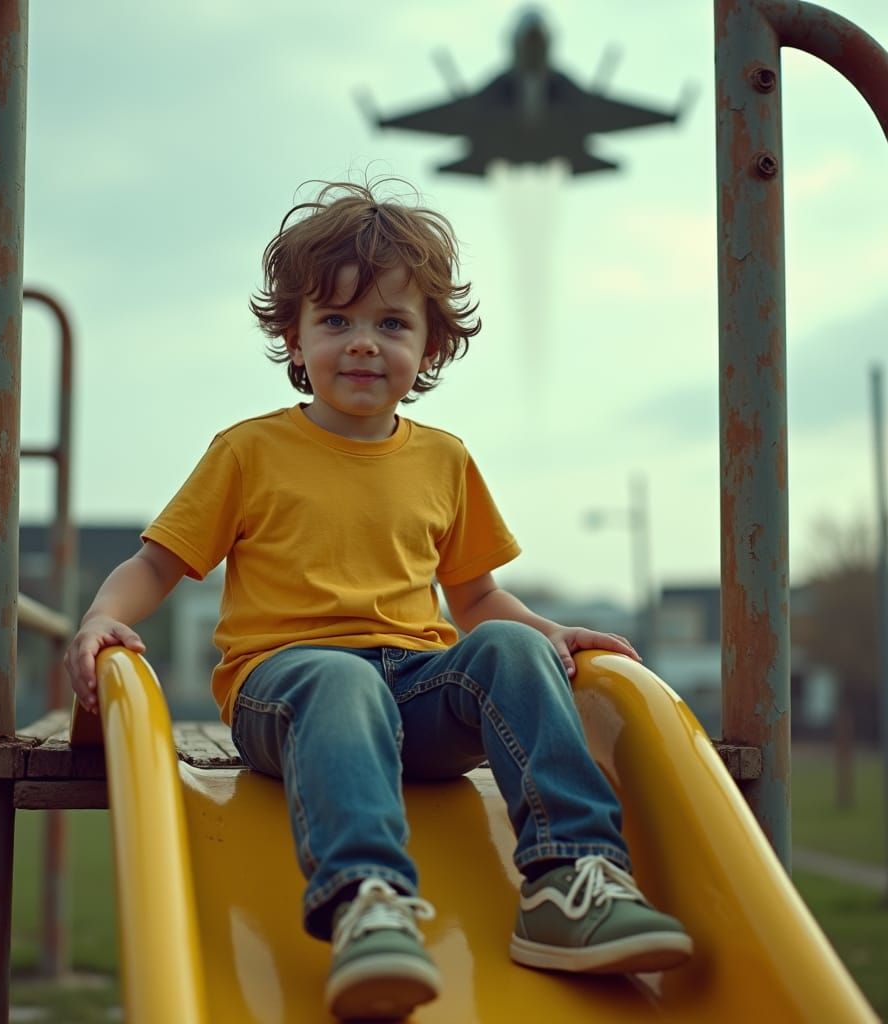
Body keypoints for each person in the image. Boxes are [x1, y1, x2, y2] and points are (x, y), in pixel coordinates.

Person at [64, 179, 692, 1021]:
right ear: (295, 335)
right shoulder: (249, 452)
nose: (364, 344)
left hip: (416, 693)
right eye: (337, 322)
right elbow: (158, 563)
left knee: (513, 651)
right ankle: (368, 900)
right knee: (341, 678)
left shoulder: (444, 460)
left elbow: (476, 596)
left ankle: (569, 879)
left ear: (430, 349)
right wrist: (105, 615)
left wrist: (548, 633)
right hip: (286, 691)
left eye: (392, 324)